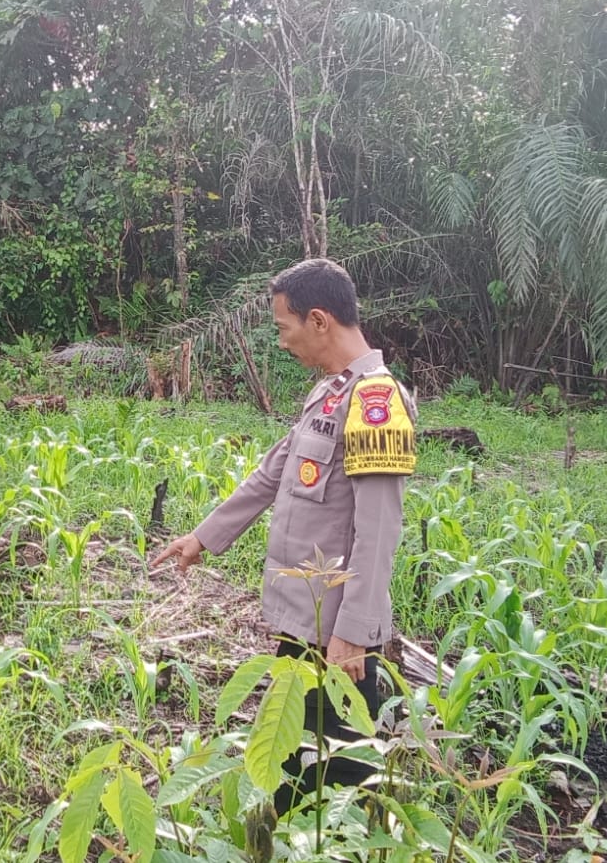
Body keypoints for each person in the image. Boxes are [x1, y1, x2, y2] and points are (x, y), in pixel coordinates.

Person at [149, 258, 416, 815]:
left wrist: (354, 634)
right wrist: (202, 537)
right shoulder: (330, 394)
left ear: (319, 320)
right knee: (293, 755)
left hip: (337, 635)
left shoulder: (375, 404)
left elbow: (379, 529)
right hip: (306, 624)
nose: (281, 341)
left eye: (282, 327)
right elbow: (275, 471)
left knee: (340, 769)